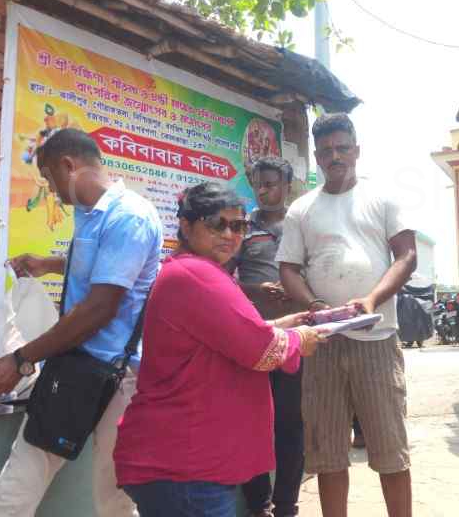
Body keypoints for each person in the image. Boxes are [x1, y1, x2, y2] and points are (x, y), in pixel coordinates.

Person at [0, 127, 163, 517]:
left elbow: (100, 308)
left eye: (48, 177)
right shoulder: (88, 213)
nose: (50, 188)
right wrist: (49, 264)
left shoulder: (129, 216)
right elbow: (105, 270)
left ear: (69, 165)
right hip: (73, 365)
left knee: (113, 498)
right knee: (17, 486)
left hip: (119, 376)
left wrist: (20, 359)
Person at [113, 182, 324, 517]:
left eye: (238, 225)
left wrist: (281, 325)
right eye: (217, 224)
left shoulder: (198, 272)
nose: (230, 234)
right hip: (186, 465)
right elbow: (261, 352)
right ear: (185, 225)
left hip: (189, 462)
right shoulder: (195, 274)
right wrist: (300, 339)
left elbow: (228, 337)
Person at [276, 112, 418, 517]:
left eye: (342, 148)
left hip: (376, 340)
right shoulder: (301, 209)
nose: (334, 156)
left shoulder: (383, 198)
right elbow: (288, 267)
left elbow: (406, 255)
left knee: (390, 449)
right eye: (326, 151)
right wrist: (313, 307)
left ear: (356, 151)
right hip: (321, 343)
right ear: (317, 158)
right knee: (327, 451)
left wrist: (372, 299)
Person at [231, 157, 306, 517]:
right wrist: (256, 289)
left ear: (287, 184)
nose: (263, 191)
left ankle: (287, 505)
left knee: (291, 424)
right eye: (258, 185)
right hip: (253, 342)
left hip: (295, 342)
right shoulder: (242, 227)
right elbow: (223, 279)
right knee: (252, 424)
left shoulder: (302, 223)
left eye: (271, 184)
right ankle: (258, 505)